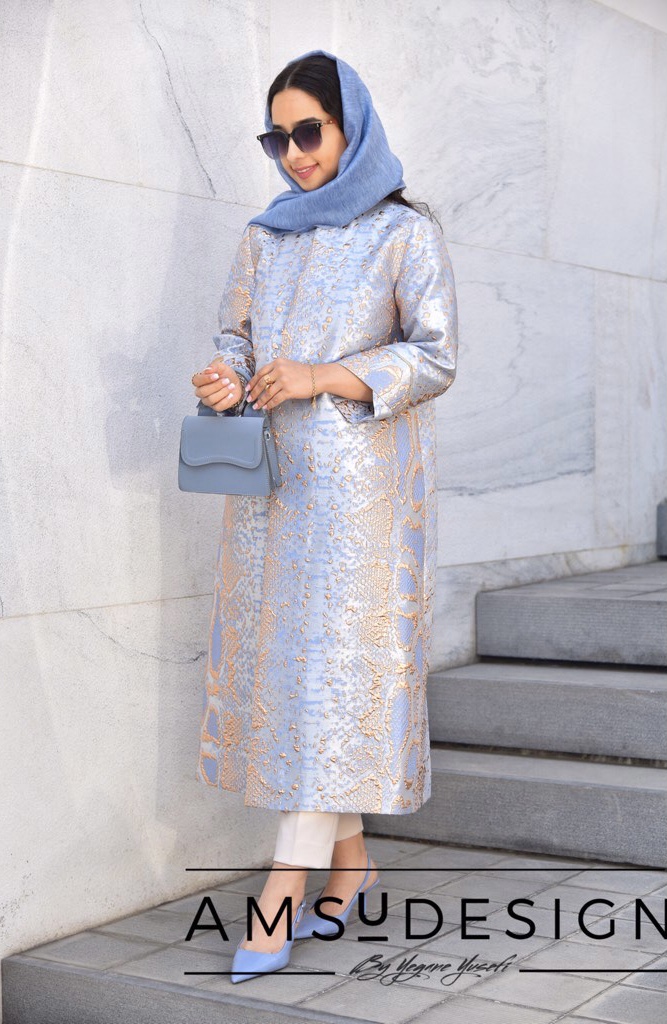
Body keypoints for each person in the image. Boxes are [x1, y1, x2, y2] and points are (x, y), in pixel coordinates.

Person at [191, 48, 458, 982]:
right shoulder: (264, 238)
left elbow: (434, 356)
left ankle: (281, 892)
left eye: (309, 131)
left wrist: (322, 376)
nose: (295, 153)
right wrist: (226, 378)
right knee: (302, 687)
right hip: (273, 493)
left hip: (361, 503)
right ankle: (351, 864)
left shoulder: (403, 233)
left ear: (352, 126)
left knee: (328, 682)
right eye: (278, 139)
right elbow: (234, 338)